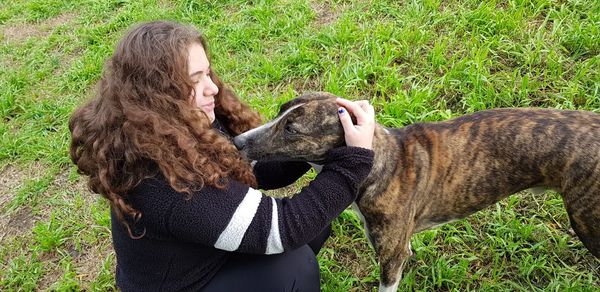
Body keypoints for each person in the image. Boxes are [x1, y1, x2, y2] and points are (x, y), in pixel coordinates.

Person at [69, 20, 375, 291]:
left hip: (203, 249)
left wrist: (322, 144)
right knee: (293, 268)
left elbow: (250, 168)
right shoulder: (164, 183)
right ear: (157, 93)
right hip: (183, 283)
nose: (212, 88)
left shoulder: (173, 124)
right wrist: (353, 161)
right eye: (194, 79)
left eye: (208, 73)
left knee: (316, 225)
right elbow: (283, 229)